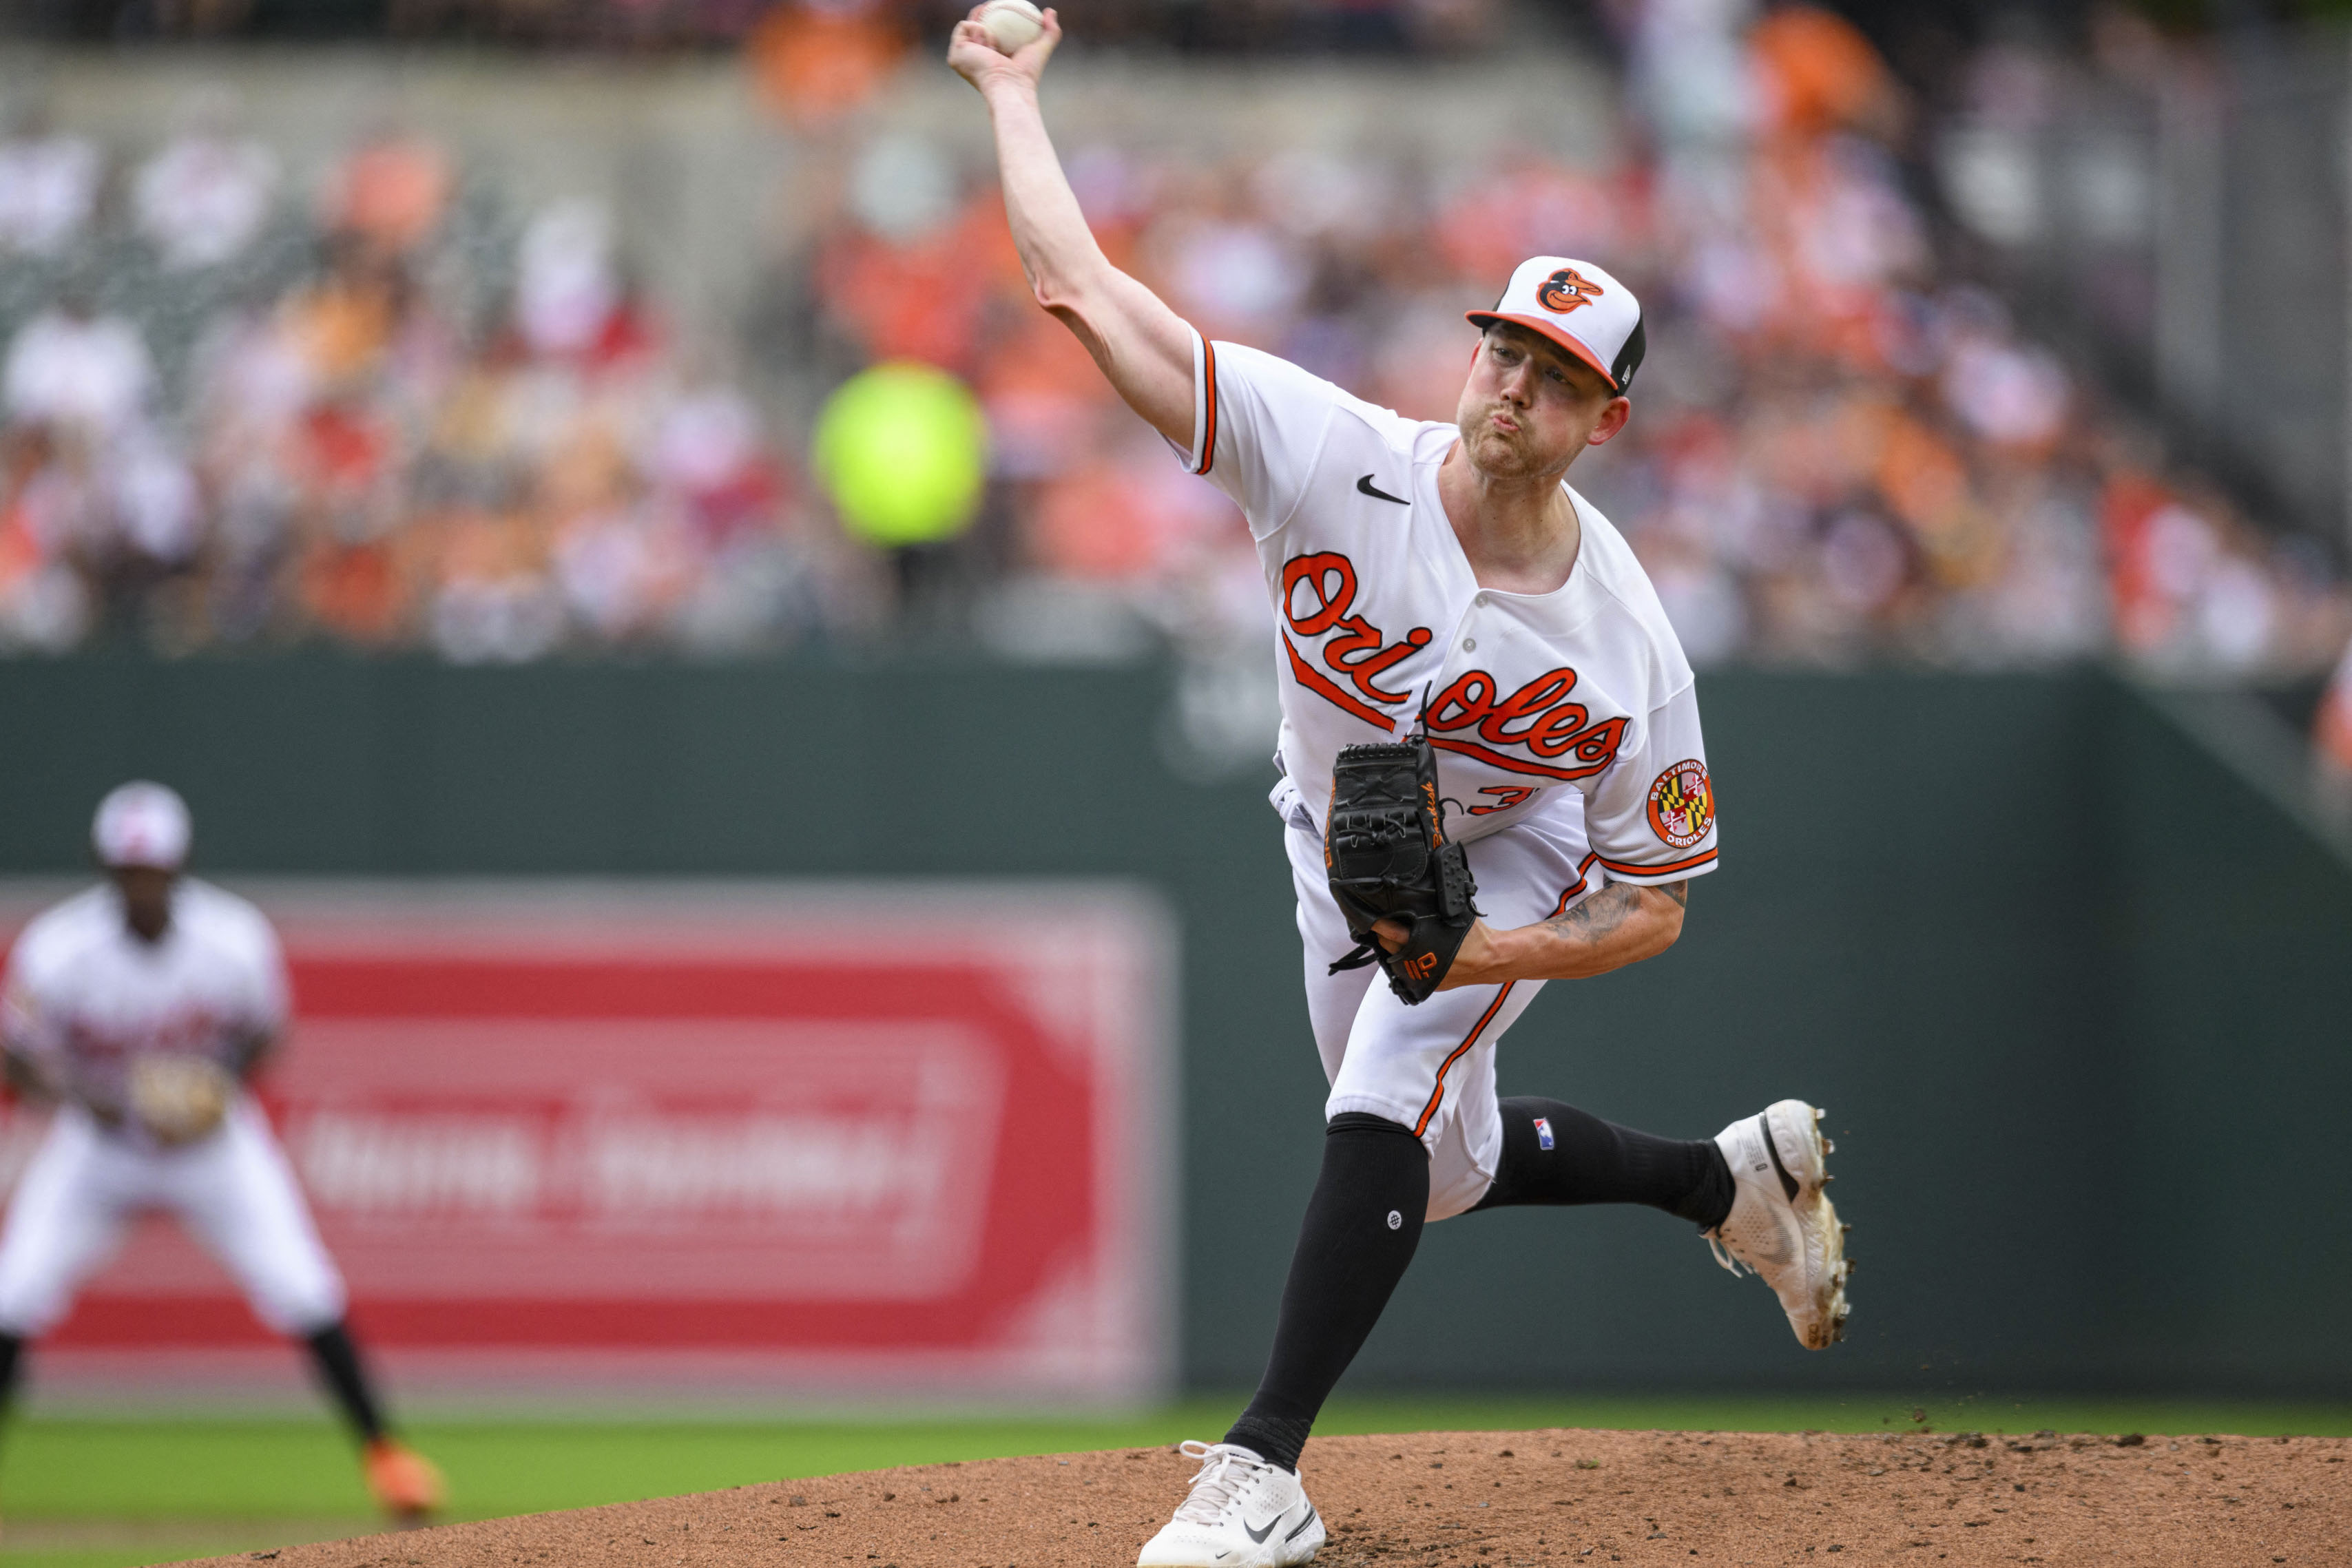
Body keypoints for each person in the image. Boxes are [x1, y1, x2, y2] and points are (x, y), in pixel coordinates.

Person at [946, 13, 1853, 1567]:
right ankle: (1729, 1181)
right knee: (1440, 1172)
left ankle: (1264, 1467)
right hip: (1338, 834)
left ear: (1602, 420)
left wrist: (1476, 950)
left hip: (1519, 857)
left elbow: (1653, 906)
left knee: (1381, 1087)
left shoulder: (1629, 643)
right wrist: (1010, 90)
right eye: (1503, 347)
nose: (1514, 385)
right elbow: (1081, 292)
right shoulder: (1326, 453)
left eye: (1556, 374)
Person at [0, 782, 444, 1524]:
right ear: (105, 869)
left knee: (303, 1285)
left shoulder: (233, 937)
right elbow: (21, 1059)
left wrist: (217, 1091)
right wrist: (85, 1098)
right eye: (128, 870)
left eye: (154, 869)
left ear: (181, 866)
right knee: (14, 1292)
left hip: (213, 1146)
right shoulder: (59, 946)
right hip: (100, 1145)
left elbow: (266, 1034)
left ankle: (389, 1459)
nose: (142, 884)